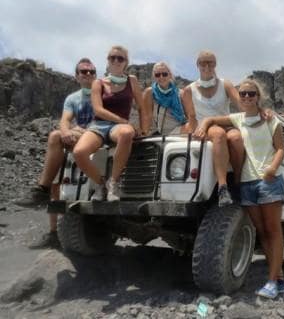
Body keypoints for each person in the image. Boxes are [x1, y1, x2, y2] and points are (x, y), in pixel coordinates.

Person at [194, 79, 284, 299]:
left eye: (251, 94)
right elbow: (212, 118)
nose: (246, 97)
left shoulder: (271, 120)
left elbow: (281, 148)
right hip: (247, 183)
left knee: (274, 231)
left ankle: (273, 281)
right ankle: (279, 280)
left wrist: (272, 169)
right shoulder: (238, 119)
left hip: (269, 181)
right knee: (261, 232)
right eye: (243, 94)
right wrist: (204, 125)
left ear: (258, 96)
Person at [15, 58, 97, 249]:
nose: (88, 75)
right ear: (77, 76)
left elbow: (104, 120)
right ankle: (53, 230)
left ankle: (41, 191)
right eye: (83, 72)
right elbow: (65, 120)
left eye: (91, 71)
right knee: (55, 142)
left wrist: (81, 131)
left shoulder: (102, 93)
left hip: (97, 136)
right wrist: (67, 131)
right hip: (77, 136)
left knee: (58, 138)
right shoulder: (73, 98)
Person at [73, 46, 146, 201]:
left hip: (118, 128)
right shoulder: (98, 83)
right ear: (107, 61)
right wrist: (123, 120)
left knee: (127, 133)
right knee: (79, 152)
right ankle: (100, 184)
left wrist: (144, 130)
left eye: (120, 58)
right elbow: (98, 110)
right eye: (112, 57)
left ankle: (113, 182)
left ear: (126, 62)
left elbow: (141, 107)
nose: (116, 61)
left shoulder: (131, 81)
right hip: (99, 125)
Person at [181, 50, 246, 205]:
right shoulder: (188, 90)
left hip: (226, 123)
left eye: (210, 62)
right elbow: (191, 117)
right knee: (217, 134)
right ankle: (223, 187)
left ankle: (238, 181)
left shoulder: (225, 84)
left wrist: (261, 112)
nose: (207, 66)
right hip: (206, 126)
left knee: (236, 138)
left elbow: (241, 105)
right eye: (203, 63)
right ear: (197, 65)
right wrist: (193, 131)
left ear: (215, 65)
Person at [143, 61, 188, 135]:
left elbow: (189, 116)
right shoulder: (150, 92)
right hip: (162, 133)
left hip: (180, 130)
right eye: (157, 75)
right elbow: (147, 116)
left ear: (170, 75)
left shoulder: (180, 93)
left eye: (164, 74)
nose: (161, 77)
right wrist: (144, 134)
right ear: (154, 77)